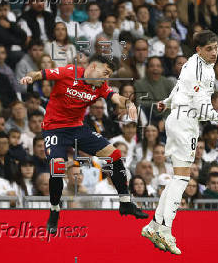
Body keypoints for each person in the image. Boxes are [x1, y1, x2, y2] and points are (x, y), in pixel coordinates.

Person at [141, 30, 218, 254]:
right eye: (209, 49)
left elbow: (180, 88)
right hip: (185, 122)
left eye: (216, 47)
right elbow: (203, 110)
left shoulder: (192, 62)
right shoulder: (204, 71)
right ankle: (166, 231)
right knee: (181, 178)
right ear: (199, 50)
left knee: (178, 177)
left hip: (177, 118)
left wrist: (166, 102)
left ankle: (154, 225)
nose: (214, 52)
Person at [19, 55, 148, 234]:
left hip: (78, 128)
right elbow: (40, 74)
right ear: (94, 66)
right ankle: (55, 210)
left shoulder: (100, 86)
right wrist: (30, 77)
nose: (106, 78)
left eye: (109, 74)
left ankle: (125, 203)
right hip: (54, 129)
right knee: (57, 167)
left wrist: (129, 104)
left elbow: (116, 97)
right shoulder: (70, 72)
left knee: (115, 155)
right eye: (105, 72)